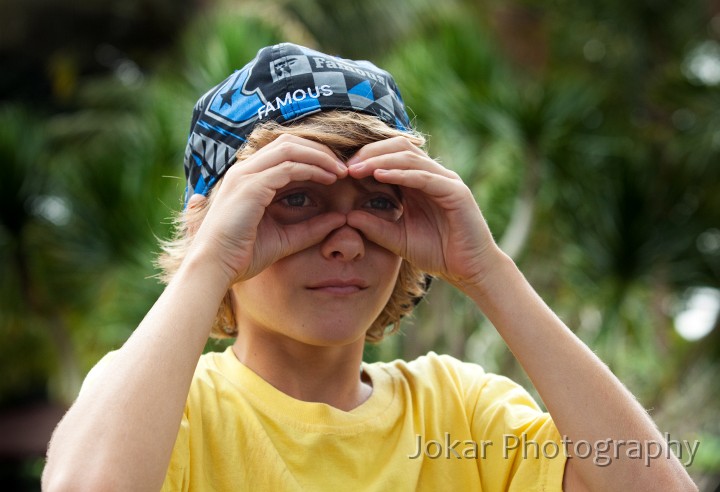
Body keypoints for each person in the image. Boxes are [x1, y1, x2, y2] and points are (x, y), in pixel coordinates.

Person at [42, 42, 696, 491]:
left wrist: (488, 271)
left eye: (380, 203)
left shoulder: (459, 412)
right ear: (222, 217)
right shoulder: (168, 410)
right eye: (294, 198)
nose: (346, 242)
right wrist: (210, 258)